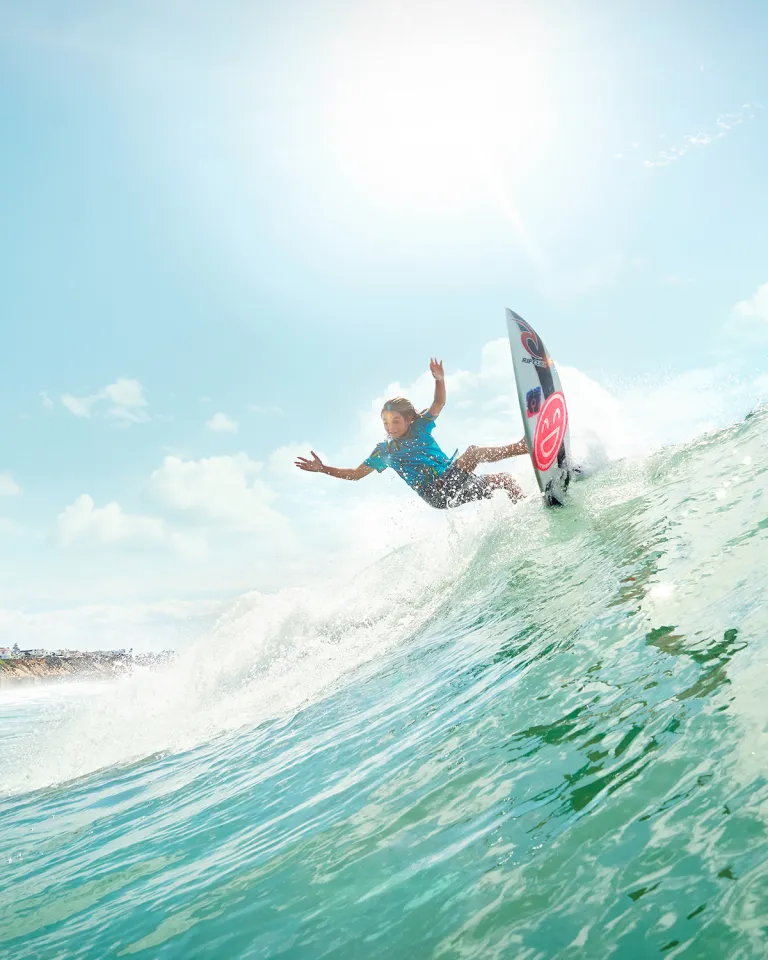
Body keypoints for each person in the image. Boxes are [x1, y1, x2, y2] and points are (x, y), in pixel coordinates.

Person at [294, 358, 528, 509]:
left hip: (455, 483)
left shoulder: (421, 426)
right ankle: (522, 447)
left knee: (505, 480)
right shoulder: (385, 451)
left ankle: (525, 509)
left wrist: (440, 380)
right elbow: (356, 474)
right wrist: (322, 468)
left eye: (396, 421)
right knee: (473, 453)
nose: (390, 427)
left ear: (409, 419)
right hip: (436, 492)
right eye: (386, 422)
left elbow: (438, 402)